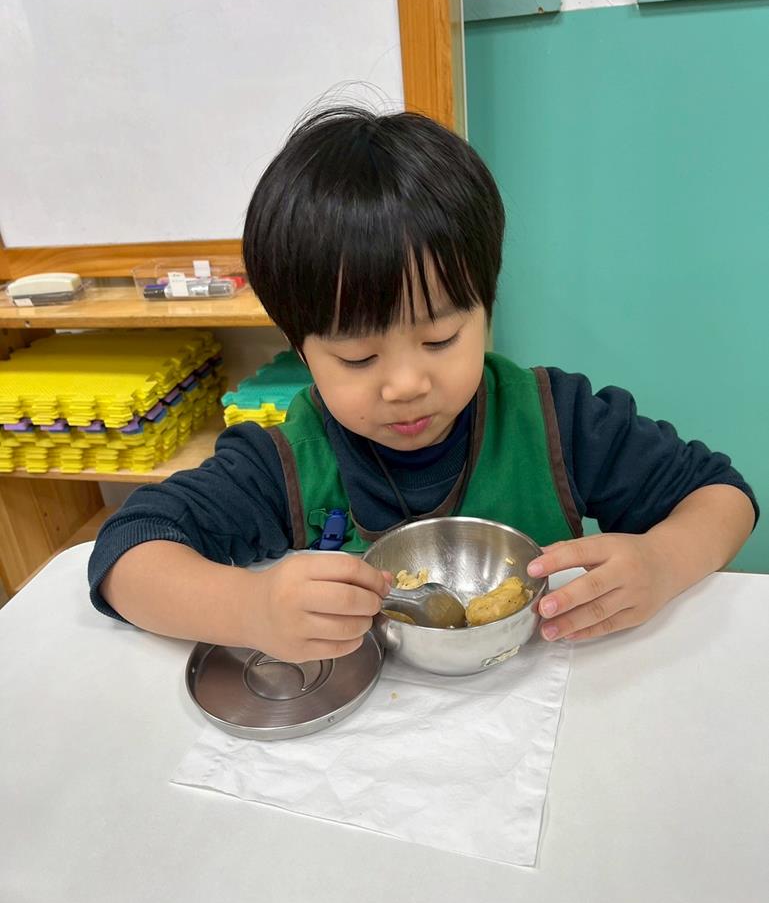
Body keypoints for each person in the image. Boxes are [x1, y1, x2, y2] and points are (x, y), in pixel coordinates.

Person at [88, 106, 758, 660]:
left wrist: (661, 563)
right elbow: (125, 553)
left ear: (486, 312)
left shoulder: (556, 421)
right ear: (303, 353)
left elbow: (720, 496)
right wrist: (251, 608)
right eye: (357, 357)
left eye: (439, 340)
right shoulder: (287, 462)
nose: (406, 384)